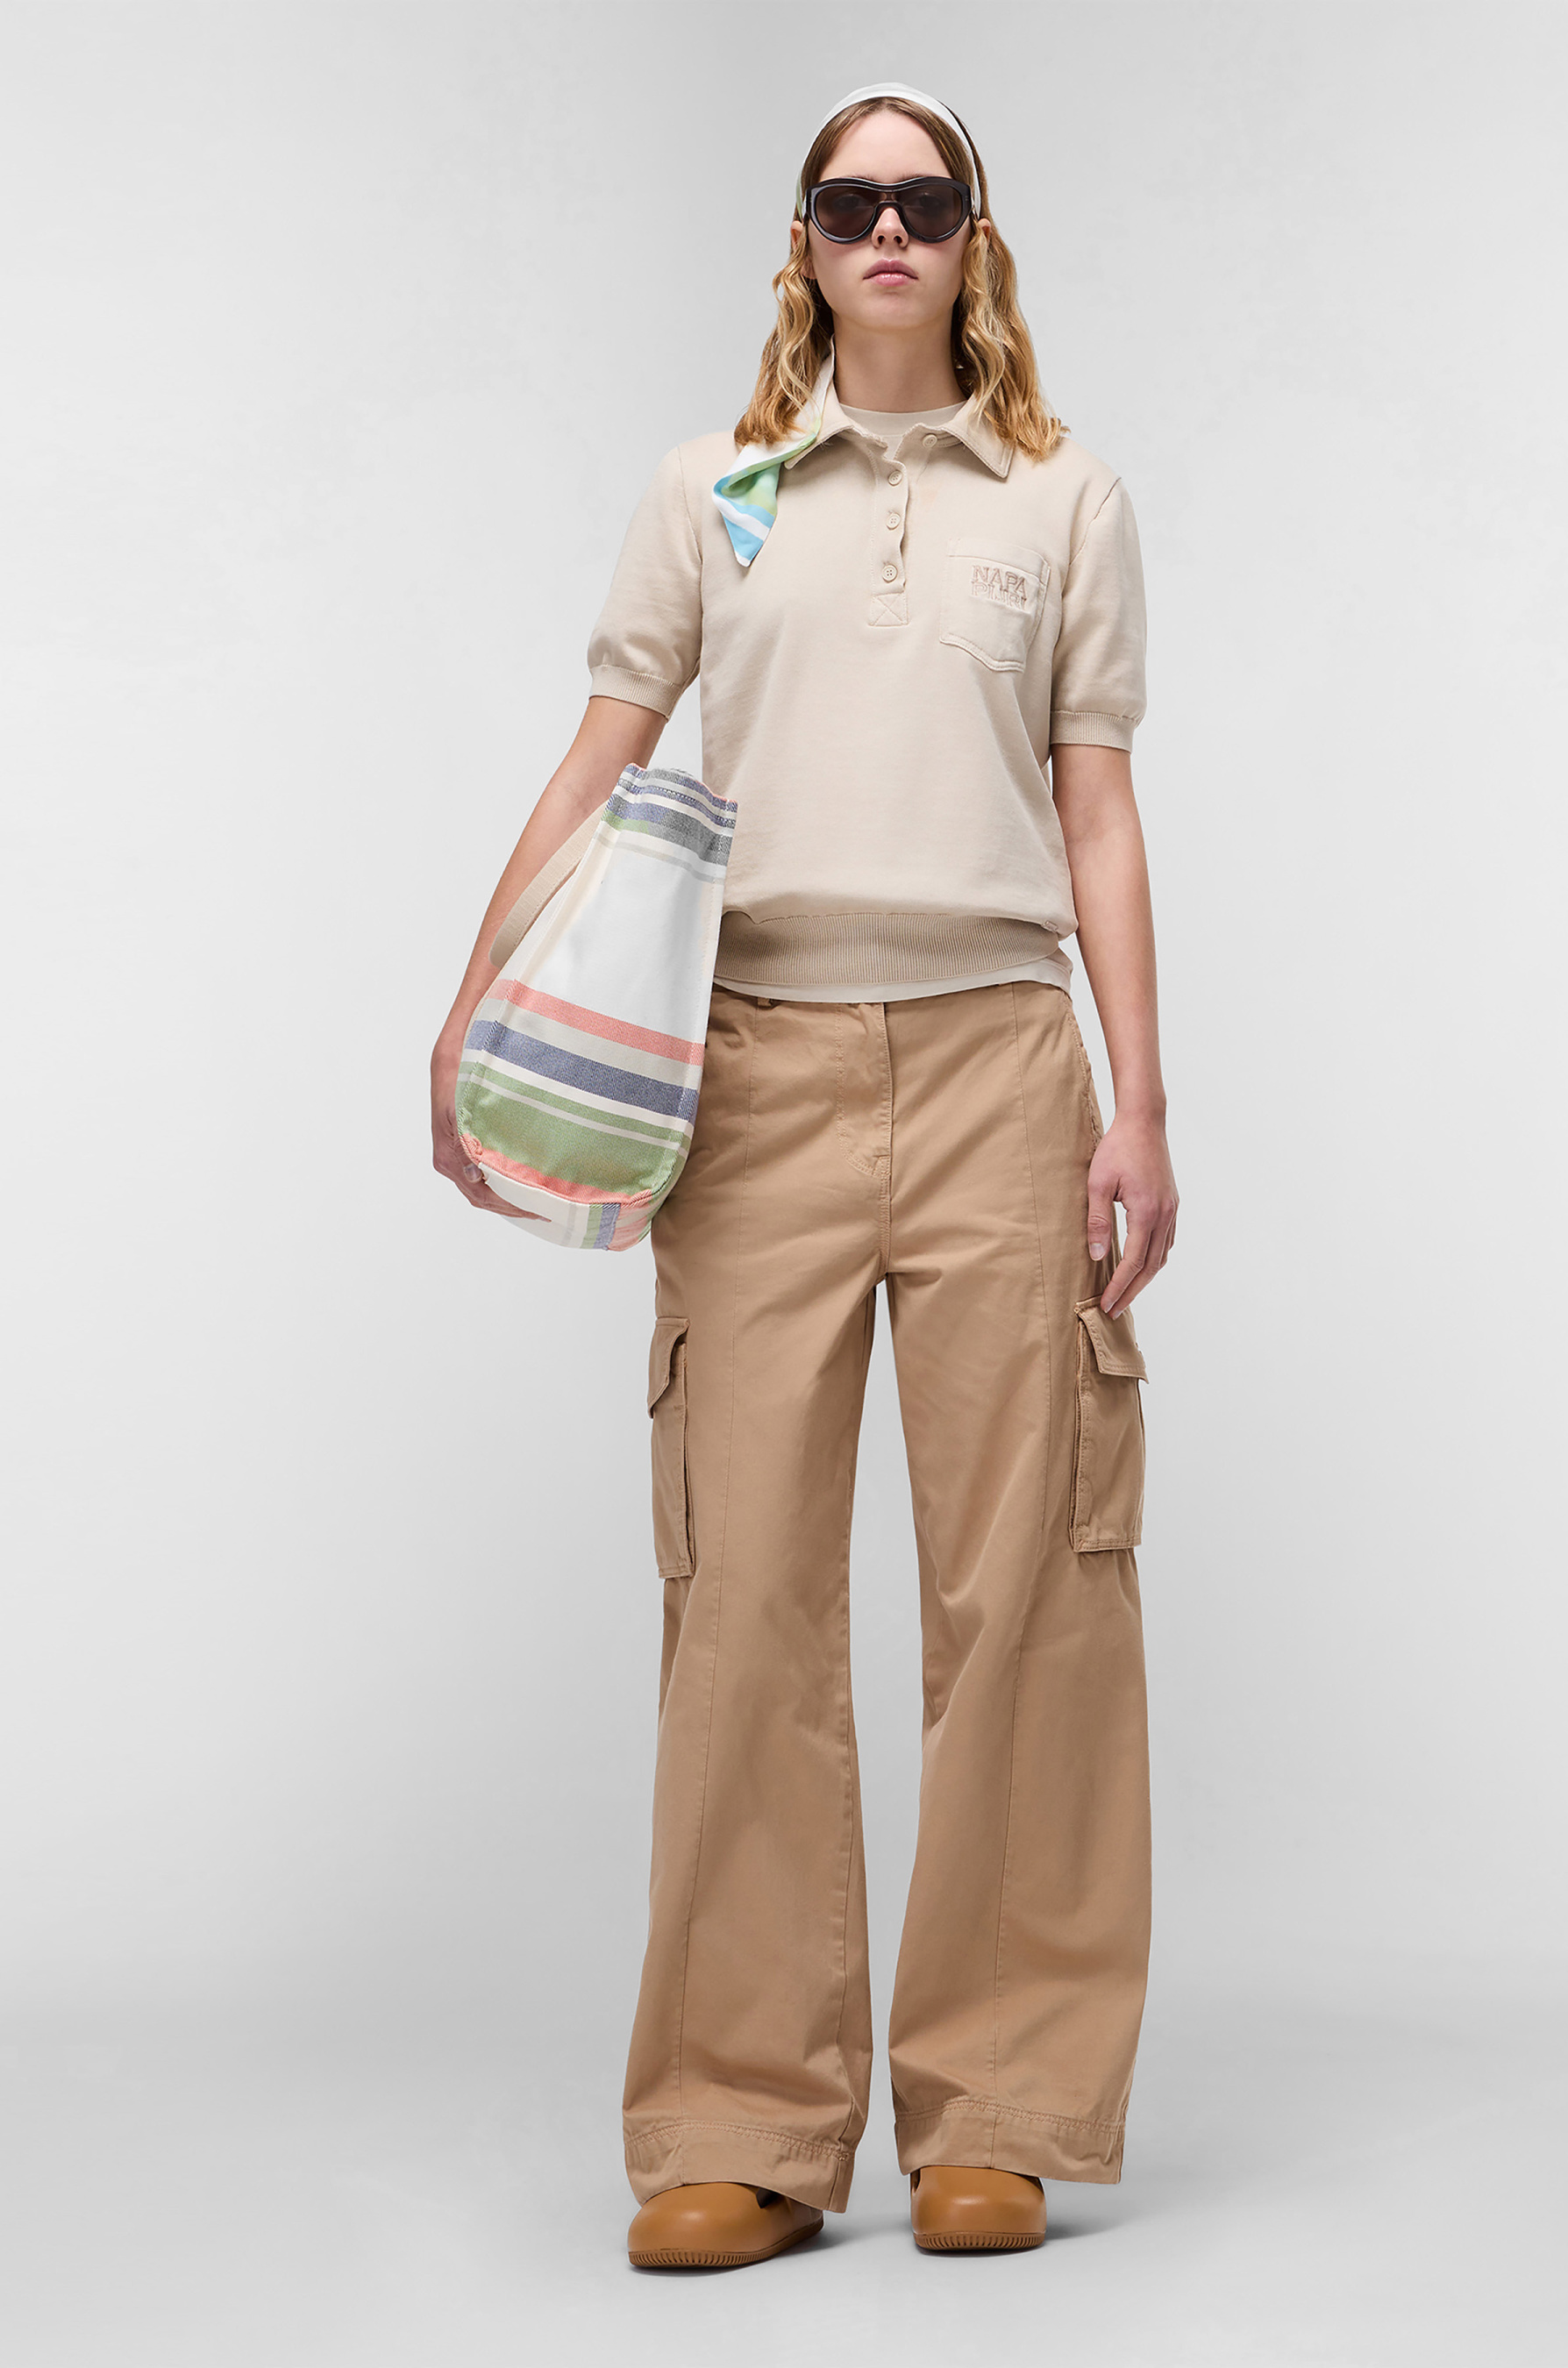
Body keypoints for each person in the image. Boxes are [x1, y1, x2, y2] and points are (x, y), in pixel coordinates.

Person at [430, 79, 1178, 2271]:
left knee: (1024, 1593)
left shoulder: (1061, 497)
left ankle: (995, 2108)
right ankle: (742, 2122)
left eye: (921, 200)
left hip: (996, 1066)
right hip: (747, 1077)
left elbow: (1099, 811)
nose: (885, 230)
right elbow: (602, 759)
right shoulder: (717, 488)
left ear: (973, 239)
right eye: (848, 202)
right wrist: (474, 1004)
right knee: (741, 1593)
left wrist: (1138, 1102)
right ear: (803, 241)